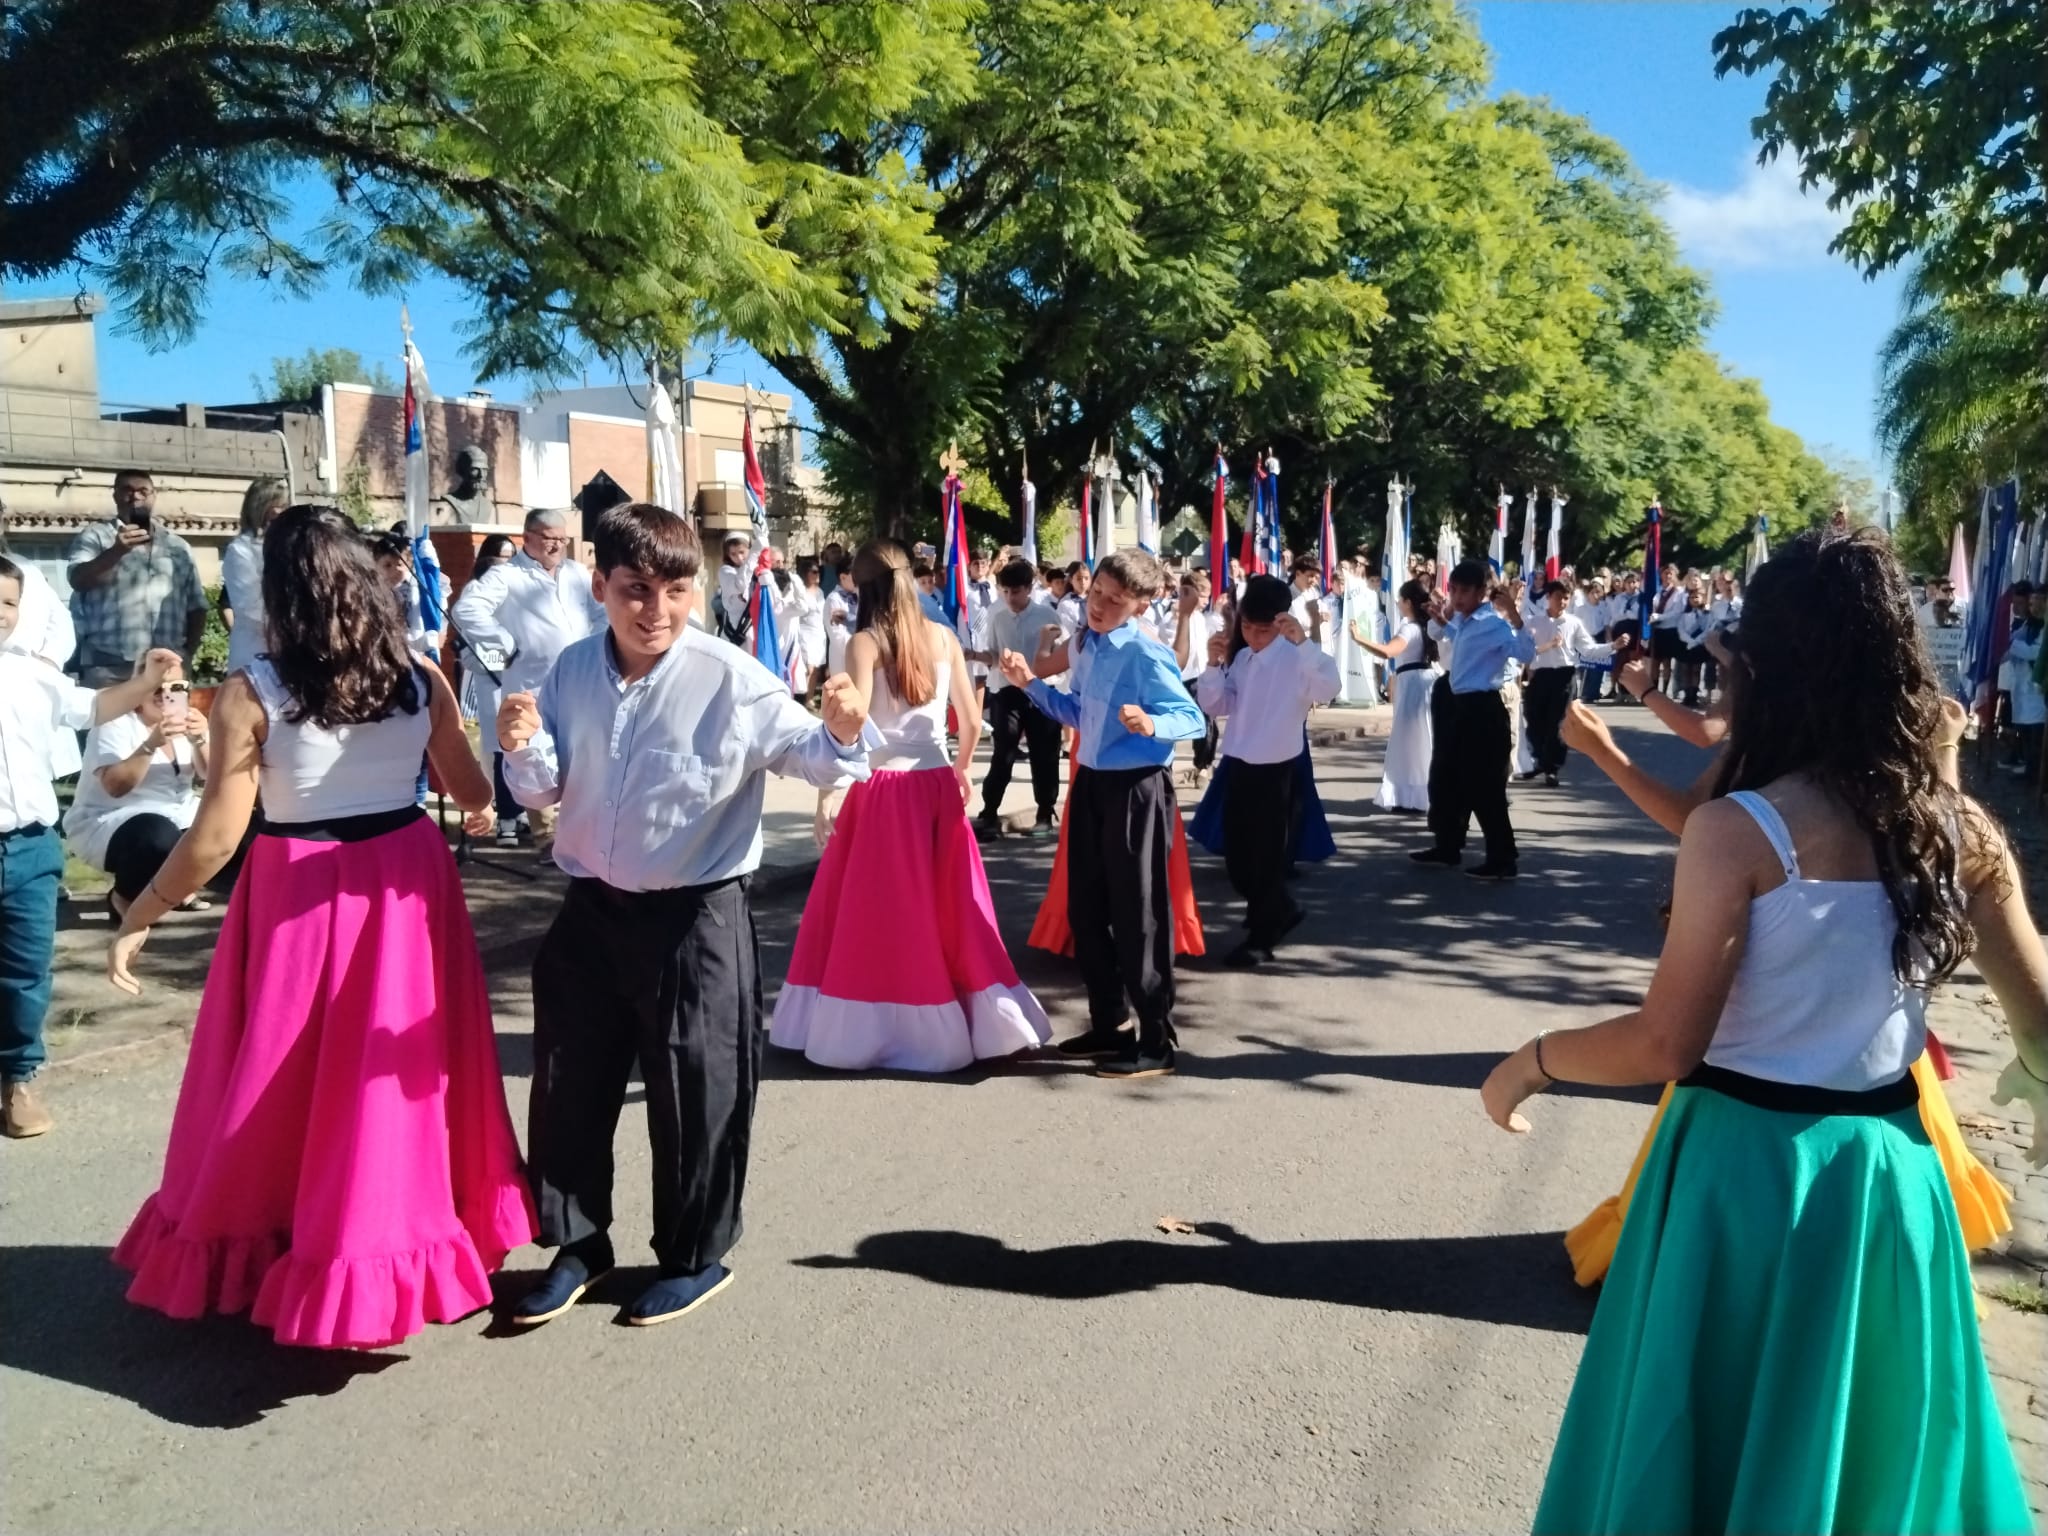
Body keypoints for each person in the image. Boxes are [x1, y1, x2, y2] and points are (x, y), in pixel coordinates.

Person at [1485, 527, 2041, 1534]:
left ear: (1768, 664)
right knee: (1870, 1458)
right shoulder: (1957, 831)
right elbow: (2040, 1026)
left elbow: (1664, 1044)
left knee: (1696, 1444)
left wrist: (1527, 1064)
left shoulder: (1738, 828)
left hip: (1737, 1179)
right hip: (1888, 1178)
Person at [106, 506, 535, 1346]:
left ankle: (287, 1236)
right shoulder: (419, 675)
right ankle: (387, 1237)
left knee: (281, 1073)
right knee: (385, 1073)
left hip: (300, 883)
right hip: (406, 877)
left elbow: (218, 836)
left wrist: (141, 910)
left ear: (281, 594)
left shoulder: (250, 692)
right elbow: (475, 795)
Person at [497, 502, 875, 1328]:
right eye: (635, 589)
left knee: (698, 1091)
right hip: (591, 911)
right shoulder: (568, 671)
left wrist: (843, 732)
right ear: (599, 585)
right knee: (568, 1085)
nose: (655, 610)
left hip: (694, 918)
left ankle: (694, 1256)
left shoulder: (729, 677)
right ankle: (578, 1243)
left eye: (675, 590)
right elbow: (545, 789)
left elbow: (811, 756)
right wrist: (521, 745)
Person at [1558, 684, 2014, 1287]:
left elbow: (1663, 1042)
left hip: (1761, 1082)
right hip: (1876, 1074)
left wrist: (1536, 1061)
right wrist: (1947, 751)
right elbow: (1947, 847)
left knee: (1735, 1277)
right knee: (1859, 1285)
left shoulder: (1754, 771)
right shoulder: (1912, 768)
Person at [772, 542, 1048, 1072]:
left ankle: (872, 1025)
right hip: (935, 785)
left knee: (874, 912)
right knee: (951, 908)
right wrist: (960, 769)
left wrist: (829, 792)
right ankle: (976, 1020)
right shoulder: (944, 637)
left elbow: (848, 725)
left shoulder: (864, 643)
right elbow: (970, 720)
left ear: (865, 587)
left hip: (880, 790)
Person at [999, 548, 1205, 1078]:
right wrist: (1032, 685)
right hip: (1090, 783)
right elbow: (1077, 712)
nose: (1100, 607)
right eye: (1097, 595)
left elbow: (1191, 718)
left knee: (1139, 913)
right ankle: (1111, 1025)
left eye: (1116, 601)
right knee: (1087, 908)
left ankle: (1157, 1038)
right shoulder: (1086, 645)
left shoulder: (1145, 653)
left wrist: (1152, 724)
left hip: (1136, 790)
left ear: (1140, 604)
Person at [1, 559, 179, 1138]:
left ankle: (16, 1082)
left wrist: (149, 681)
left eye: (9, 603)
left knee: (26, 971)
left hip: (30, 847)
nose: (1, 615)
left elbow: (95, 706)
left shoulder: (31, 675)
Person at [1196, 575, 1340, 968]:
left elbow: (1328, 688)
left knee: (1267, 862)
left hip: (1278, 771)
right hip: (1240, 765)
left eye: (1263, 629)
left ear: (1280, 623)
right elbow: (1218, 704)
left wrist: (1305, 643)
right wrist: (1211, 666)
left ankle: (1262, 936)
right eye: (1247, 627)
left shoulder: (1296, 659)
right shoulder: (1242, 658)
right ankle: (1280, 909)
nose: (1254, 636)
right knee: (1239, 862)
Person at [451, 509, 602, 844]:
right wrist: (503, 642)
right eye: (550, 538)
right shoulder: (505, 576)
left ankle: (581, 830)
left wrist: (598, 645)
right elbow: (467, 609)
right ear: (528, 538)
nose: (557, 545)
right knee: (534, 755)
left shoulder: (577, 574)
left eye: (562, 539)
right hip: (532, 684)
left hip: (581, 680)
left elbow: (602, 611)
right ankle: (546, 836)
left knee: (582, 754)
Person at [1411, 559, 1533, 880]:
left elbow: (1525, 653)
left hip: (1483, 709)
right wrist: (1443, 616)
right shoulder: (1466, 622)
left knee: (1485, 786)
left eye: (1465, 590)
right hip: (1458, 706)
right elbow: (1449, 636)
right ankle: (1448, 845)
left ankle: (1503, 857)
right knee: (1447, 777)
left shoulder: (1493, 624)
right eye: (1454, 589)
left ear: (1481, 592)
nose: (1458, 596)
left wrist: (1515, 616)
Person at [65, 656, 209, 919]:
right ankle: (124, 897)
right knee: (158, 835)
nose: (165, 695)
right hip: (114, 821)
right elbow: (115, 787)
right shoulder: (114, 723)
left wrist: (201, 740)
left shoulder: (190, 721)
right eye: (156, 687)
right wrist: (150, 745)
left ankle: (176, 887)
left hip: (179, 813)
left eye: (176, 688)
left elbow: (212, 776)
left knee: (236, 829)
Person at [65, 468, 209, 685]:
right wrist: (116, 551)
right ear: (115, 495)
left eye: (143, 491)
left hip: (167, 666)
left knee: (170, 720)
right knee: (108, 721)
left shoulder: (178, 546)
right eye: (127, 490)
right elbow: (77, 580)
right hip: (110, 667)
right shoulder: (95, 536)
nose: (136, 496)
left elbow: (197, 606)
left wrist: (187, 655)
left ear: (154, 496)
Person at [967, 559, 1062, 838]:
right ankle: (989, 812)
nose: (1010, 598)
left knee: (1044, 753)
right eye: (1005, 591)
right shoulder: (998, 618)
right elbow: (994, 656)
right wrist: (975, 655)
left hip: (1041, 691)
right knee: (1003, 752)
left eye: (1016, 592)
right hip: (1007, 692)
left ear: (1029, 589)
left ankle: (1045, 811)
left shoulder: (1047, 615)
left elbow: (1060, 655)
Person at [1523, 580, 1613, 786]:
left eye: (1565, 598)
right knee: (1534, 718)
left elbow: (1589, 649)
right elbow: (1526, 649)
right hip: (1541, 674)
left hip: (1564, 675)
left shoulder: (1573, 623)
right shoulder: (1535, 622)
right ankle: (1539, 759)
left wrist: (1612, 646)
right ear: (1548, 598)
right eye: (1557, 597)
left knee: (1558, 722)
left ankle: (1552, 767)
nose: (1562, 602)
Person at [1357, 579, 1435, 812]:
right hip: (1422, 682)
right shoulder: (1426, 626)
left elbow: (1388, 651)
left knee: (1408, 742)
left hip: (1413, 685)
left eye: (1401, 600)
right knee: (1423, 741)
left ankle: (1411, 795)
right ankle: (1417, 794)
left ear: (1408, 602)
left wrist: (1359, 638)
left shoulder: (1410, 628)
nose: (1399, 604)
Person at [219, 475, 289, 675]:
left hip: (289, 653)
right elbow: (251, 606)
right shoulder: (240, 550)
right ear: (260, 508)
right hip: (255, 651)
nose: (282, 512)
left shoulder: (288, 545)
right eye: (278, 505)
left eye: (285, 505)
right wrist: (294, 626)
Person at [2002, 586, 2045, 776]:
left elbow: (2037, 652)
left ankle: (2034, 771)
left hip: (2038, 691)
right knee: (2026, 731)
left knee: (2036, 732)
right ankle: (2029, 765)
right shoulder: (2029, 624)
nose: (2033, 607)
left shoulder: (2044, 627)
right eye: (2031, 603)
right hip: (2023, 687)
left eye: (2036, 602)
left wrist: (2011, 645)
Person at [793, 557, 829, 706]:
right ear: (805, 573)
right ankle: (799, 699)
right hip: (805, 632)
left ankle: (809, 698)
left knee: (816, 669)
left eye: (818, 571)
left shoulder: (820, 592)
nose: (817, 574)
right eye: (813, 572)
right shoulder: (800, 591)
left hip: (819, 633)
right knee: (809, 667)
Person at [713, 532, 754, 644]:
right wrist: (752, 559)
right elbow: (740, 585)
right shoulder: (726, 571)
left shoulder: (757, 572)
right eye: (733, 554)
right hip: (736, 634)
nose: (739, 558)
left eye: (742, 552)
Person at [825, 563, 859, 677]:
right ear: (843, 577)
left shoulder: (860, 595)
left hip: (862, 657)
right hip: (843, 657)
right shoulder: (833, 599)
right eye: (854, 575)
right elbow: (837, 634)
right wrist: (856, 648)